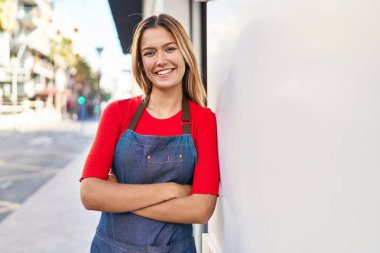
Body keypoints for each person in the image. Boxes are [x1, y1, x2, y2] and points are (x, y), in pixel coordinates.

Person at [80, 13, 219, 253]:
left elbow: (201, 209)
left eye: (170, 49)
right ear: (140, 62)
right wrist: (172, 190)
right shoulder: (117, 113)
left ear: (184, 53)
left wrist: (117, 198)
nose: (161, 60)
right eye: (149, 53)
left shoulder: (203, 120)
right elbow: (90, 194)